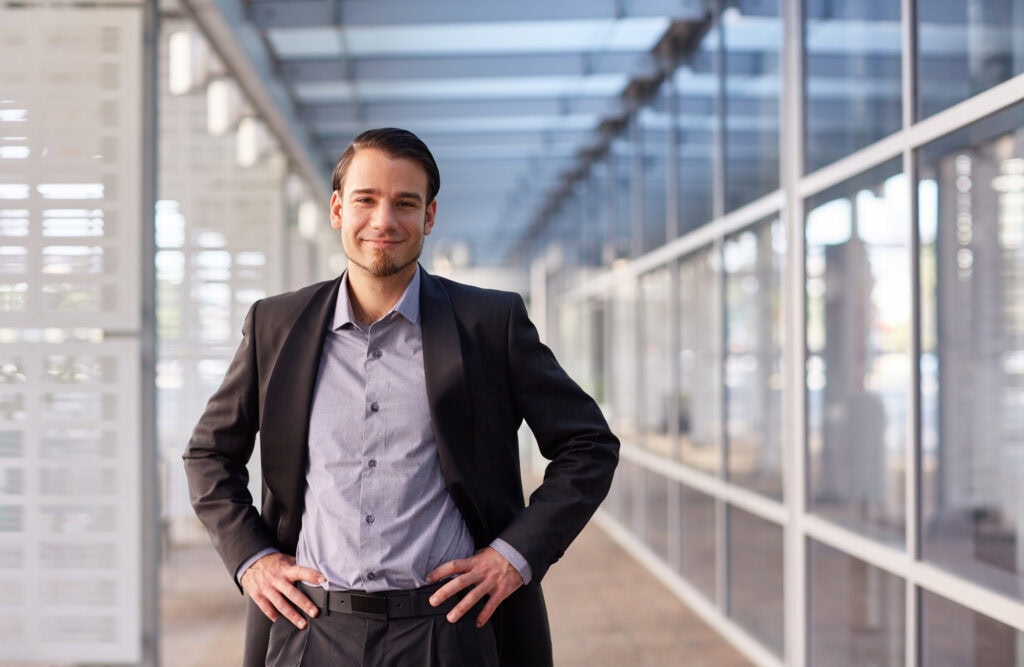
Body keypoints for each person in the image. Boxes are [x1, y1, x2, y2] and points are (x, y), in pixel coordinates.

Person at [183, 127, 619, 666]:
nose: (383, 221)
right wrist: (252, 559)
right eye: (366, 199)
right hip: (310, 632)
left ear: (429, 217)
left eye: (404, 203)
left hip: (448, 632)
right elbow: (208, 454)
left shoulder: (488, 324)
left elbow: (588, 445)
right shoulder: (276, 325)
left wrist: (513, 556)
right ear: (338, 209)